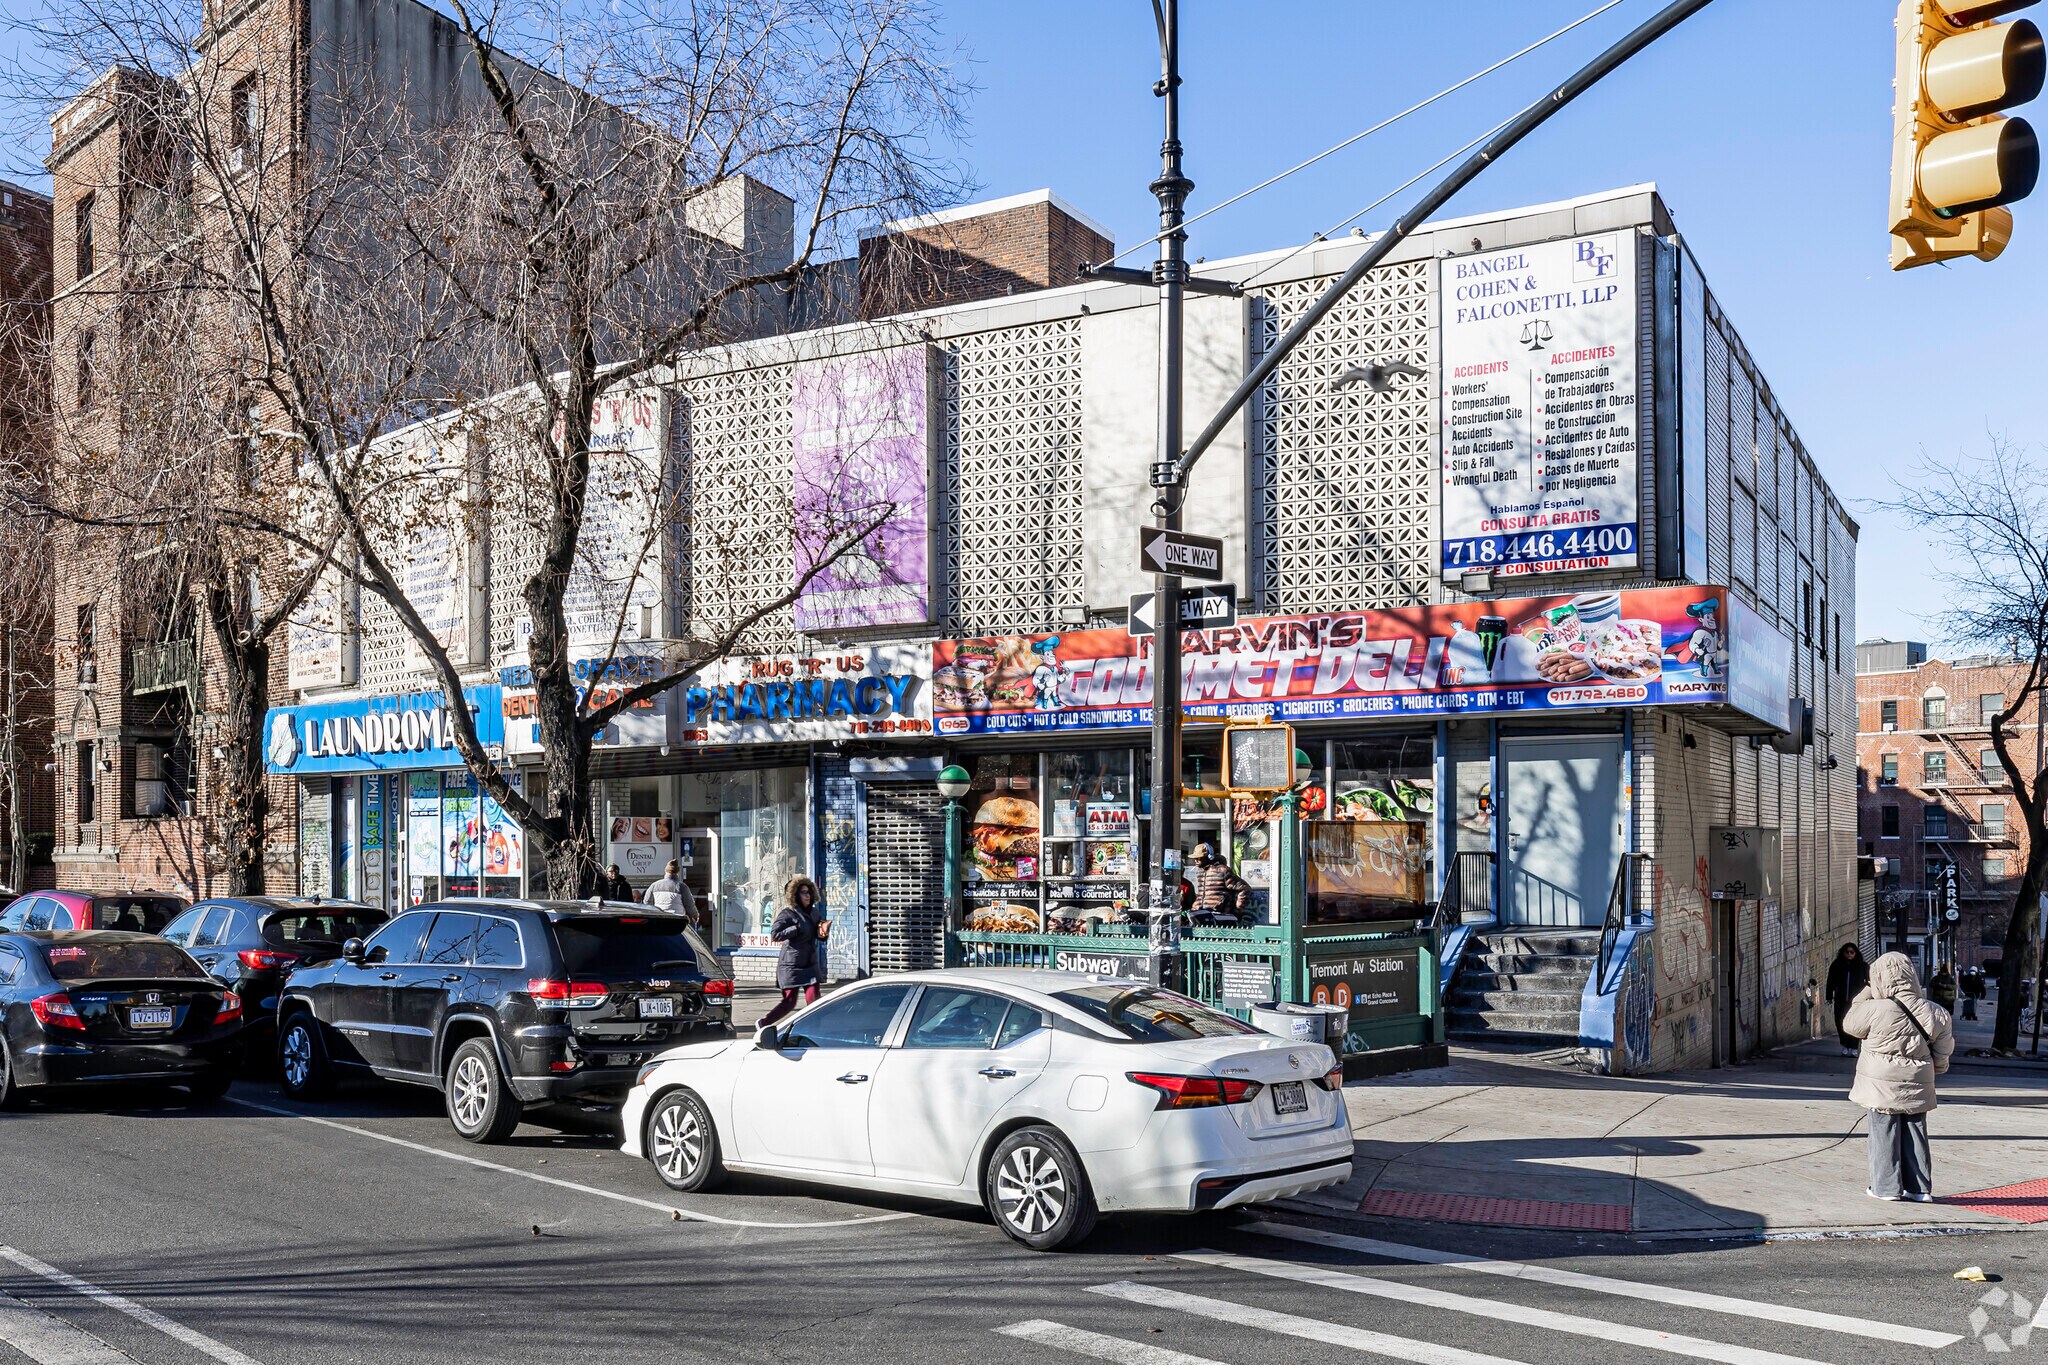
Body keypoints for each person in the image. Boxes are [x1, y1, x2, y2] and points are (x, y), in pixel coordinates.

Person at [1842, 951, 1955, 1203]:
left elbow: (1850, 1024)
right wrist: (1933, 1070)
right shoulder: (1936, 1012)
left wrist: (1869, 990)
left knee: (1883, 1131)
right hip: (1918, 1079)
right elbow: (1943, 1052)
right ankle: (1919, 1188)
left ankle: (1886, 1187)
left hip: (1880, 1083)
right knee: (1916, 1131)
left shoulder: (1873, 1009)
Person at [759, 875, 827, 1028]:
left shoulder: (815, 913)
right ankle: (764, 1023)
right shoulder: (788, 914)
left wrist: (822, 933)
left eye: (809, 892)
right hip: (791, 965)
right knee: (790, 1002)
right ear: (795, 895)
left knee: (814, 1000)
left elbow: (816, 935)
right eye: (803, 892)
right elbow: (775, 934)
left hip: (810, 964)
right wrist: (795, 929)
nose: (807, 895)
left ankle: (815, 1030)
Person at [1825, 943, 1869, 1056]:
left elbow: (1869, 982)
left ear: (1856, 953)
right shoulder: (1837, 965)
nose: (1849, 954)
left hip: (1857, 1001)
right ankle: (1845, 1045)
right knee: (1840, 1022)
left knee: (1856, 1024)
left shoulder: (1862, 966)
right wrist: (1829, 996)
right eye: (1847, 952)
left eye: (1852, 952)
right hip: (1840, 1000)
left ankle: (1854, 1047)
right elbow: (1830, 982)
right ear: (1843, 953)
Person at [643, 859, 698, 924]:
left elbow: (647, 902)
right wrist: (695, 915)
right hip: (677, 921)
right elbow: (689, 904)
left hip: (659, 921)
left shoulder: (654, 885)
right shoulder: (682, 886)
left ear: (666, 871)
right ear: (677, 873)